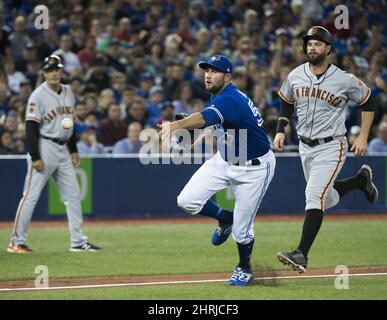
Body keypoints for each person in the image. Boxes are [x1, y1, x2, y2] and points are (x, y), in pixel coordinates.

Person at [159, 55, 276, 286]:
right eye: (207, 70)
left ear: (228, 77)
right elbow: (211, 120)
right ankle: (225, 218)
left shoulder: (230, 99)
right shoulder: (219, 96)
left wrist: (177, 125)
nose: (208, 74)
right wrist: (189, 124)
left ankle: (244, 268)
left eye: (215, 71)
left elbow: (206, 117)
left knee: (242, 233)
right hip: (224, 160)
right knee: (187, 200)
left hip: (254, 168)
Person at [273, 26, 378, 273]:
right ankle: (360, 181)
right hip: (304, 146)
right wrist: (280, 129)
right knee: (325, 198)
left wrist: (363, 136)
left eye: (318, 43)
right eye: (309, 43)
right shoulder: (296, 74)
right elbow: (286, 101)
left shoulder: (343, 79)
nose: (312, 47)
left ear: (328, 49)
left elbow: (369, 100)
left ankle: (301, 255)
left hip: (331, 145)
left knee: (313, 196)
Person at [8, 55, 101, 253]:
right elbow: (31, 128)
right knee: (30, 196)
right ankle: (16, 242)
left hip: (63, 149)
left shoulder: (68, 92)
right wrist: (35, 156)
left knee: (74, 195)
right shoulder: (37, 95)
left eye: (57, 69)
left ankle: (78, 241)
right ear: (43, 73)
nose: (54, 73)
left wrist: (74, 150)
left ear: (61, 71)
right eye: (50, 70)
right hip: (44, 146)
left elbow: (71, 123)